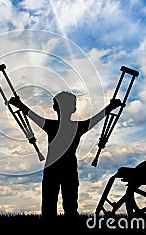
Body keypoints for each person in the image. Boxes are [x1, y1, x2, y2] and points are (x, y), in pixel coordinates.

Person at [8, 92, 122, 221]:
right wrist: (110, 107)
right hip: (69, 168)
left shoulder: (51, 126)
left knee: (49, 203)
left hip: (52, 168)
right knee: (70, 203)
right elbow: (96, 118)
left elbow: (30, 114)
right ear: (74, 109)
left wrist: (19, 104)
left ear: (54, 107)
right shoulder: (78, 126)